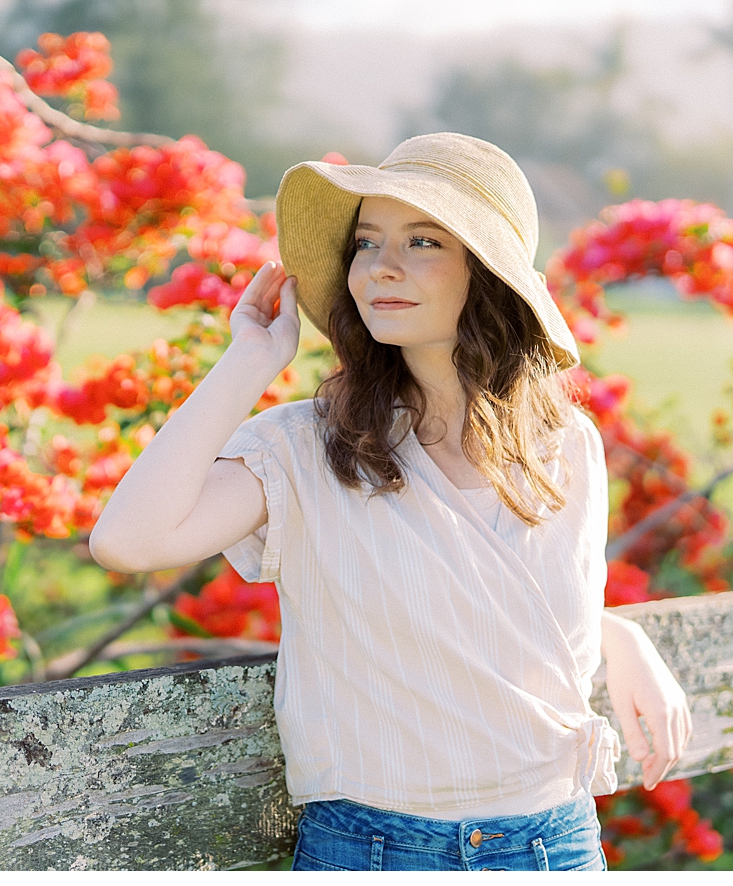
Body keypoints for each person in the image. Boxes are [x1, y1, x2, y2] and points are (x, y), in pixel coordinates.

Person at [90, 133, 692, 872]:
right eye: (367, 242)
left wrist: (614, 635)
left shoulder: (565, 446)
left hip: (552, 845)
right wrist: (248, 358)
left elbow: (497, 609)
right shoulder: (308, 447)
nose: (381, 266)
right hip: (373, 850)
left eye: (422, 239)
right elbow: (129, 542)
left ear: (487, 269)